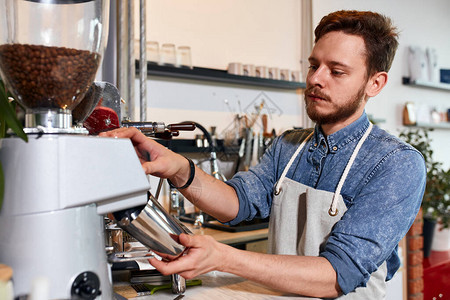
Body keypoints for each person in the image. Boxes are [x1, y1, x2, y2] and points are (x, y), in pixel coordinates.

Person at [101, 10, 426, 299]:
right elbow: (236, 203)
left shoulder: (396, 164)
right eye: (314, 65)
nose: (315, 79)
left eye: (336, 71)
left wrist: (223, 257)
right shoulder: (289, 145)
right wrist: (178, 169)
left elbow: (336, 276)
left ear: (375, 83)